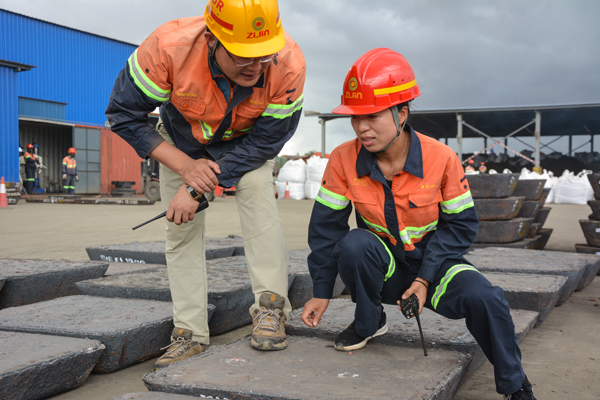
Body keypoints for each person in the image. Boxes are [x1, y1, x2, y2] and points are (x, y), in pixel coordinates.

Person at [301, 49, 537, 400]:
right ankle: (369, 323)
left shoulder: (441, 158)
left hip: (437, 265)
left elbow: (460, 226)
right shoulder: (342, 159)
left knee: (487, 299)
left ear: (402, 113)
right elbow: (325, 228)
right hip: (385, 267)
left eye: (373, 115)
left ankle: (516, 387)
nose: (361, 128)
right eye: (355, 118)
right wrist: (321, 291)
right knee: (353, 243)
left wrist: (425, 278)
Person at [106, 0, 305, 370]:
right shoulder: (168, 49)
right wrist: (185, 167)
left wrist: (198, 186)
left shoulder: (288, 65)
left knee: (259, 200)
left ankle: (271, 309)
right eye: (243, 56)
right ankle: (190, 333)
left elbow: (266, 143)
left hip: (245, 146)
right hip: (181, 141)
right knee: (180, 230)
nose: (255, 66)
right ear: (213, 39)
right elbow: (123, 115)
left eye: (263, 55)